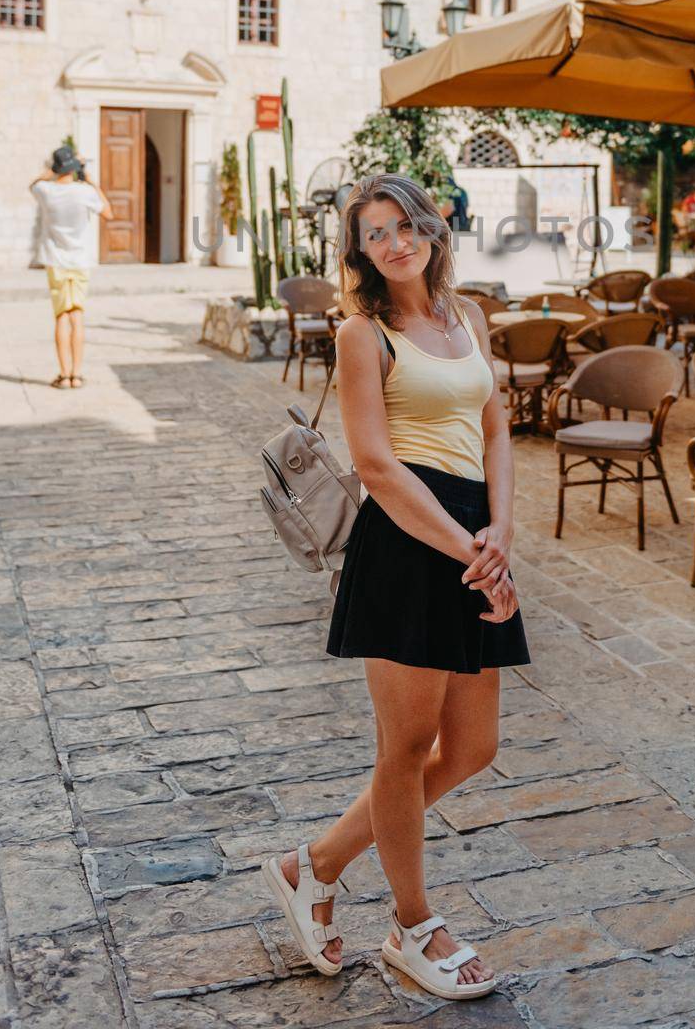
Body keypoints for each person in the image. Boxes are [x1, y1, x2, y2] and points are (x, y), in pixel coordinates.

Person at [260, 173, 527, 1001]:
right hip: (411, 545)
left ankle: (318, 864)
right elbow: (374, 462)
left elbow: (496, 432)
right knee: (406, 752)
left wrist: (502, 533)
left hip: (476, 535)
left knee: (474, 747)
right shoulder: (361, 334)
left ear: (432, 229)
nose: (395, 242)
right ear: (361, 252)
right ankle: (412, 926)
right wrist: (464, 550)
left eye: (405, 224)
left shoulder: (467, 317)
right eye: (376, 233)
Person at [29, 146, 113, 388]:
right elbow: (108, 212)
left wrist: (49, 171)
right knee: (77, 315)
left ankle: (64, 374)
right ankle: (77, 373)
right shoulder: (85, 192)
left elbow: (34, 183)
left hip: (56, 261)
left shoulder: (45, 191)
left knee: (60, 316)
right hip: (80, 261)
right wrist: (90, 180)